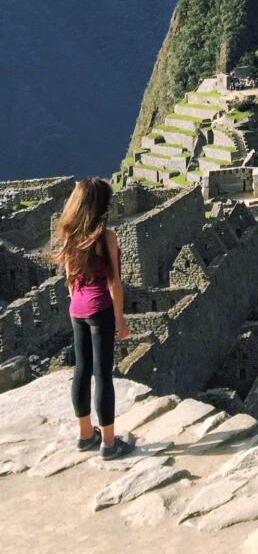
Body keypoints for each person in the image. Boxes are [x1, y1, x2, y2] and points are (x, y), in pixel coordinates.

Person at [51, 177, 134, 459]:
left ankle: (86, 434)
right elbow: (115, 284)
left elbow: (69, 278)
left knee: (81, 371)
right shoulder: (106, 237)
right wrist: (120, 321)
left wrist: (77, 302)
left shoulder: (69, 234)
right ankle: (109, 443)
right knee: (103, 376)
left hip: (77, 309)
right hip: (100, 310)